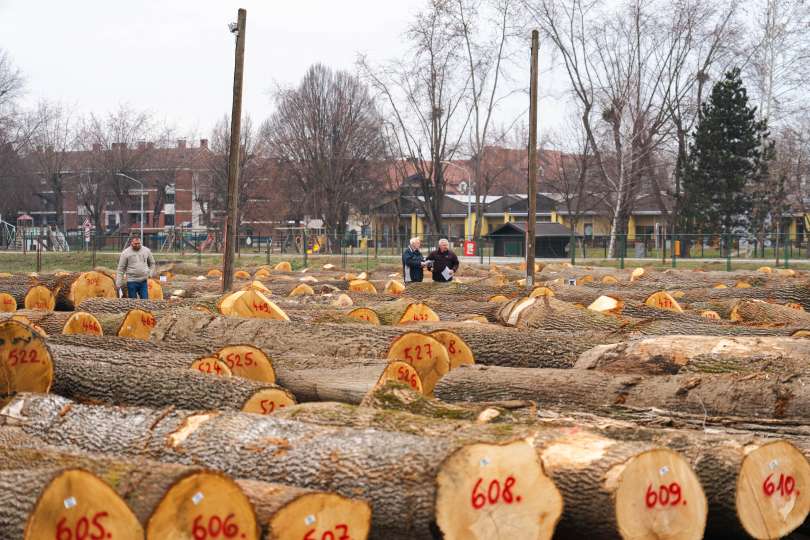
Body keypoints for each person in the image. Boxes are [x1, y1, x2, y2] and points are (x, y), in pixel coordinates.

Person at [115, 235, 155, 299]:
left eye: (139, 243)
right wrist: (118, 283)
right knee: (133, 302)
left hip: (143, 281)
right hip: (131, 281)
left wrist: (150, 273)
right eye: (135, 244)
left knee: (145, 300)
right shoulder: (125, 253)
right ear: (131, 243)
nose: (137, 245)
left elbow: (152, 263)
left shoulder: (146, 251)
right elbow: (121, 269)